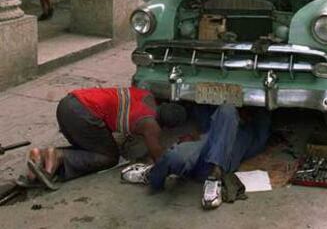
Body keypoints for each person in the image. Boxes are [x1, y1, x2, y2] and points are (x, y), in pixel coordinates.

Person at [22, 86, 186, 190]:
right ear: (165, 125)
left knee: (94, 147)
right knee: (108, 157)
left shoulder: (146, 95)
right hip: (83, 114)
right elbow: (159, 158)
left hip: (69, 103)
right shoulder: (150, 125)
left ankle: (41, 156)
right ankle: (56, 156)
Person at [129, 103, 271, 210]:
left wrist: (253, 113)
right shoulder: (217, 124)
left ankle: (214, 178)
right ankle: (153, 175)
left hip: (216, 163)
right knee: (174, 156)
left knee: (227, 110)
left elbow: (263, 123)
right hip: (200, 155)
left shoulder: (250, 133)